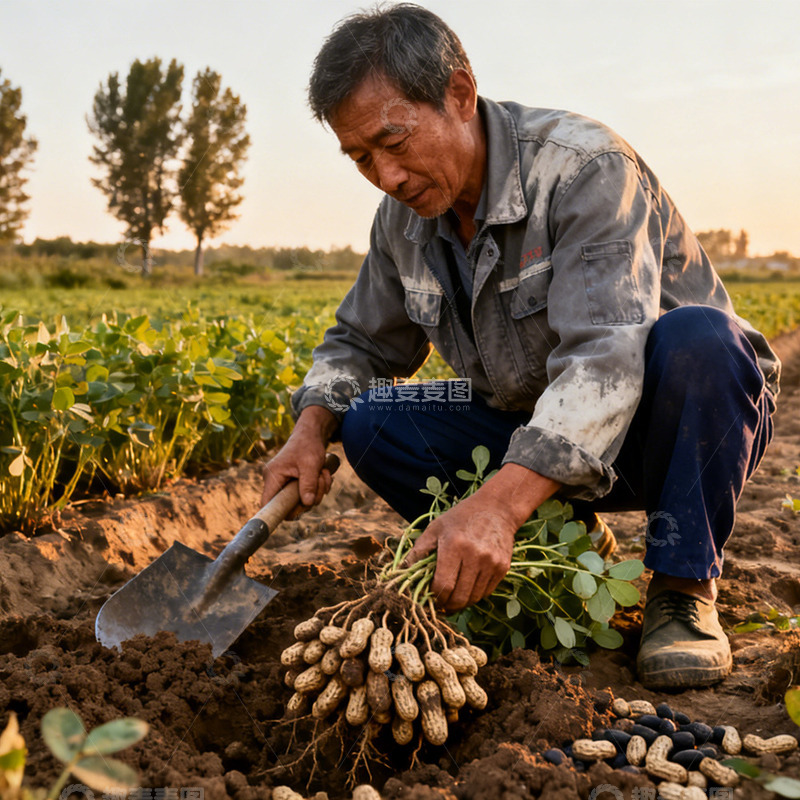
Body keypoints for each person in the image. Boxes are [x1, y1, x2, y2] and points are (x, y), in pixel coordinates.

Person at [260, 3, 780, 689]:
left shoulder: (584, 169)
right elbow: (360, 340)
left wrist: (498, 505)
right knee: (373, 415)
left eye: (393, 142)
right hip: (527, 421)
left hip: (666, 428)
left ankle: (683, 590)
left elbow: (604, 360)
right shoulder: (403, 218)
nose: (385, 176)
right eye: (360, 157)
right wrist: (309, 428)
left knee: (703, 338)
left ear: (459, 93)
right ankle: (566, 528)